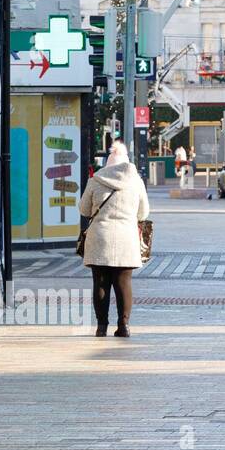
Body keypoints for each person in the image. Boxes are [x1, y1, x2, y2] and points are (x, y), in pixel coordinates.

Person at [77, 140, 149, 338]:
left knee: (100, 282)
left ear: (107, 163)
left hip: (100, 237)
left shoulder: (96, 180)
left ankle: (101, 327)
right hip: (127, 238)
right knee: (123, 283)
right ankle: (123, 326)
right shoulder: (136, 182)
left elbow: (83, 209)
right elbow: (144, 213)